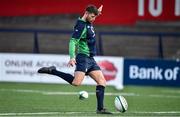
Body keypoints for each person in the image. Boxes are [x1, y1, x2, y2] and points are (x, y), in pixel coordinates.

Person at [38, 4, 112, 114]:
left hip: (91, 59)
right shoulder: (81, 26)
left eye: (95, 17)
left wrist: (97, 12)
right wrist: (72, 57)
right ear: (86, 13)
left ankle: (100, 109)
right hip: (83, 57)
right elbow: (73, 41)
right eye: (92, 16)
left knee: (102, 82)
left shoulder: (88, 21)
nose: (94, 19)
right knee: (76, 82)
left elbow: (91, 17)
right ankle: (52, 70)